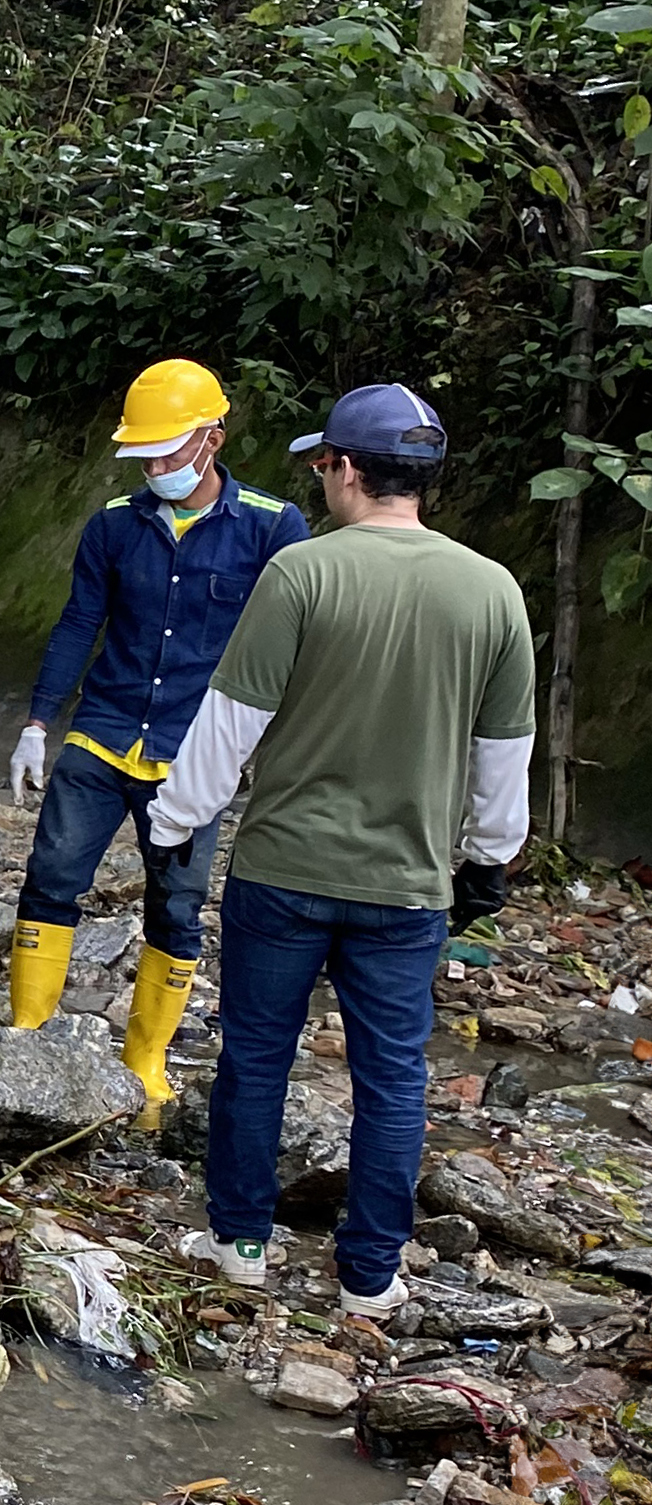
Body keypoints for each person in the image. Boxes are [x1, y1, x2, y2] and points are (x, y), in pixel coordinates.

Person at [147, 383, 533, 1319]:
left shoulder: (302, 575)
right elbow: (502, 753)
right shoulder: (493, 591)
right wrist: (486, 861)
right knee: (393, 1077)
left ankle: (240, 1240)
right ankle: (370, 1275)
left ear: (349, 469)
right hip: (407, 887)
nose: (322, 479)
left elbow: (230, 727)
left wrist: (170, 826)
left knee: (256, 1059)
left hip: (283, 872)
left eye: (323, 464)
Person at [7, 359, 309, 1112]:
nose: (156, 468)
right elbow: (81, 622)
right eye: (145, 455)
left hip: (195, 750)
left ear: (213, 439)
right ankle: (24, 1036)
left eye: (169, 453)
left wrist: (270, 750)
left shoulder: (274, 528)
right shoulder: (114, 524)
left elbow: (290, 647)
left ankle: (146, 1061)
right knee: (52, 876)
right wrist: (39, 723)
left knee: (176, 902)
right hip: (104, 730)